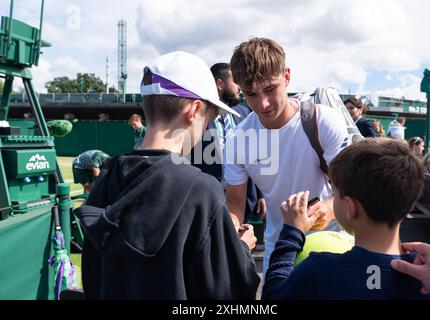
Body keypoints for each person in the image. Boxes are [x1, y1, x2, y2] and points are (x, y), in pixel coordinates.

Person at [74, 51, 260, 299]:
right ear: (194, 110)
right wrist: (241, 251)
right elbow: (228, 293)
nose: (204, 130)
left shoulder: (107, 177)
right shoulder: (201, 190)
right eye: (208, 120)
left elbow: (94, 276)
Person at [225, 37, 349, 277]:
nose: (263, 104)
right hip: (280, 250)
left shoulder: (323, 122)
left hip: (332, 245)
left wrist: (326, 210)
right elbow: (235, 203)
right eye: (251, 94)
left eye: (270, 89)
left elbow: (351, 194)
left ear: (287, 76)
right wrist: (232, 230)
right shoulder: (238, 138)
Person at [263, 138, 430, 300]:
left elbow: (271, 297)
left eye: (334, 195)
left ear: (350, 207)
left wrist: (291, 233)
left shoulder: (319, 271)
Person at [210, 62, 266, 222]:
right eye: (235, 81)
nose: (240, 87)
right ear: (220, 84)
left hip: (245, 199)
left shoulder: (246, 113)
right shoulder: (199, 115)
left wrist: (262, 193)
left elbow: (258, 155)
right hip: (211, 198)